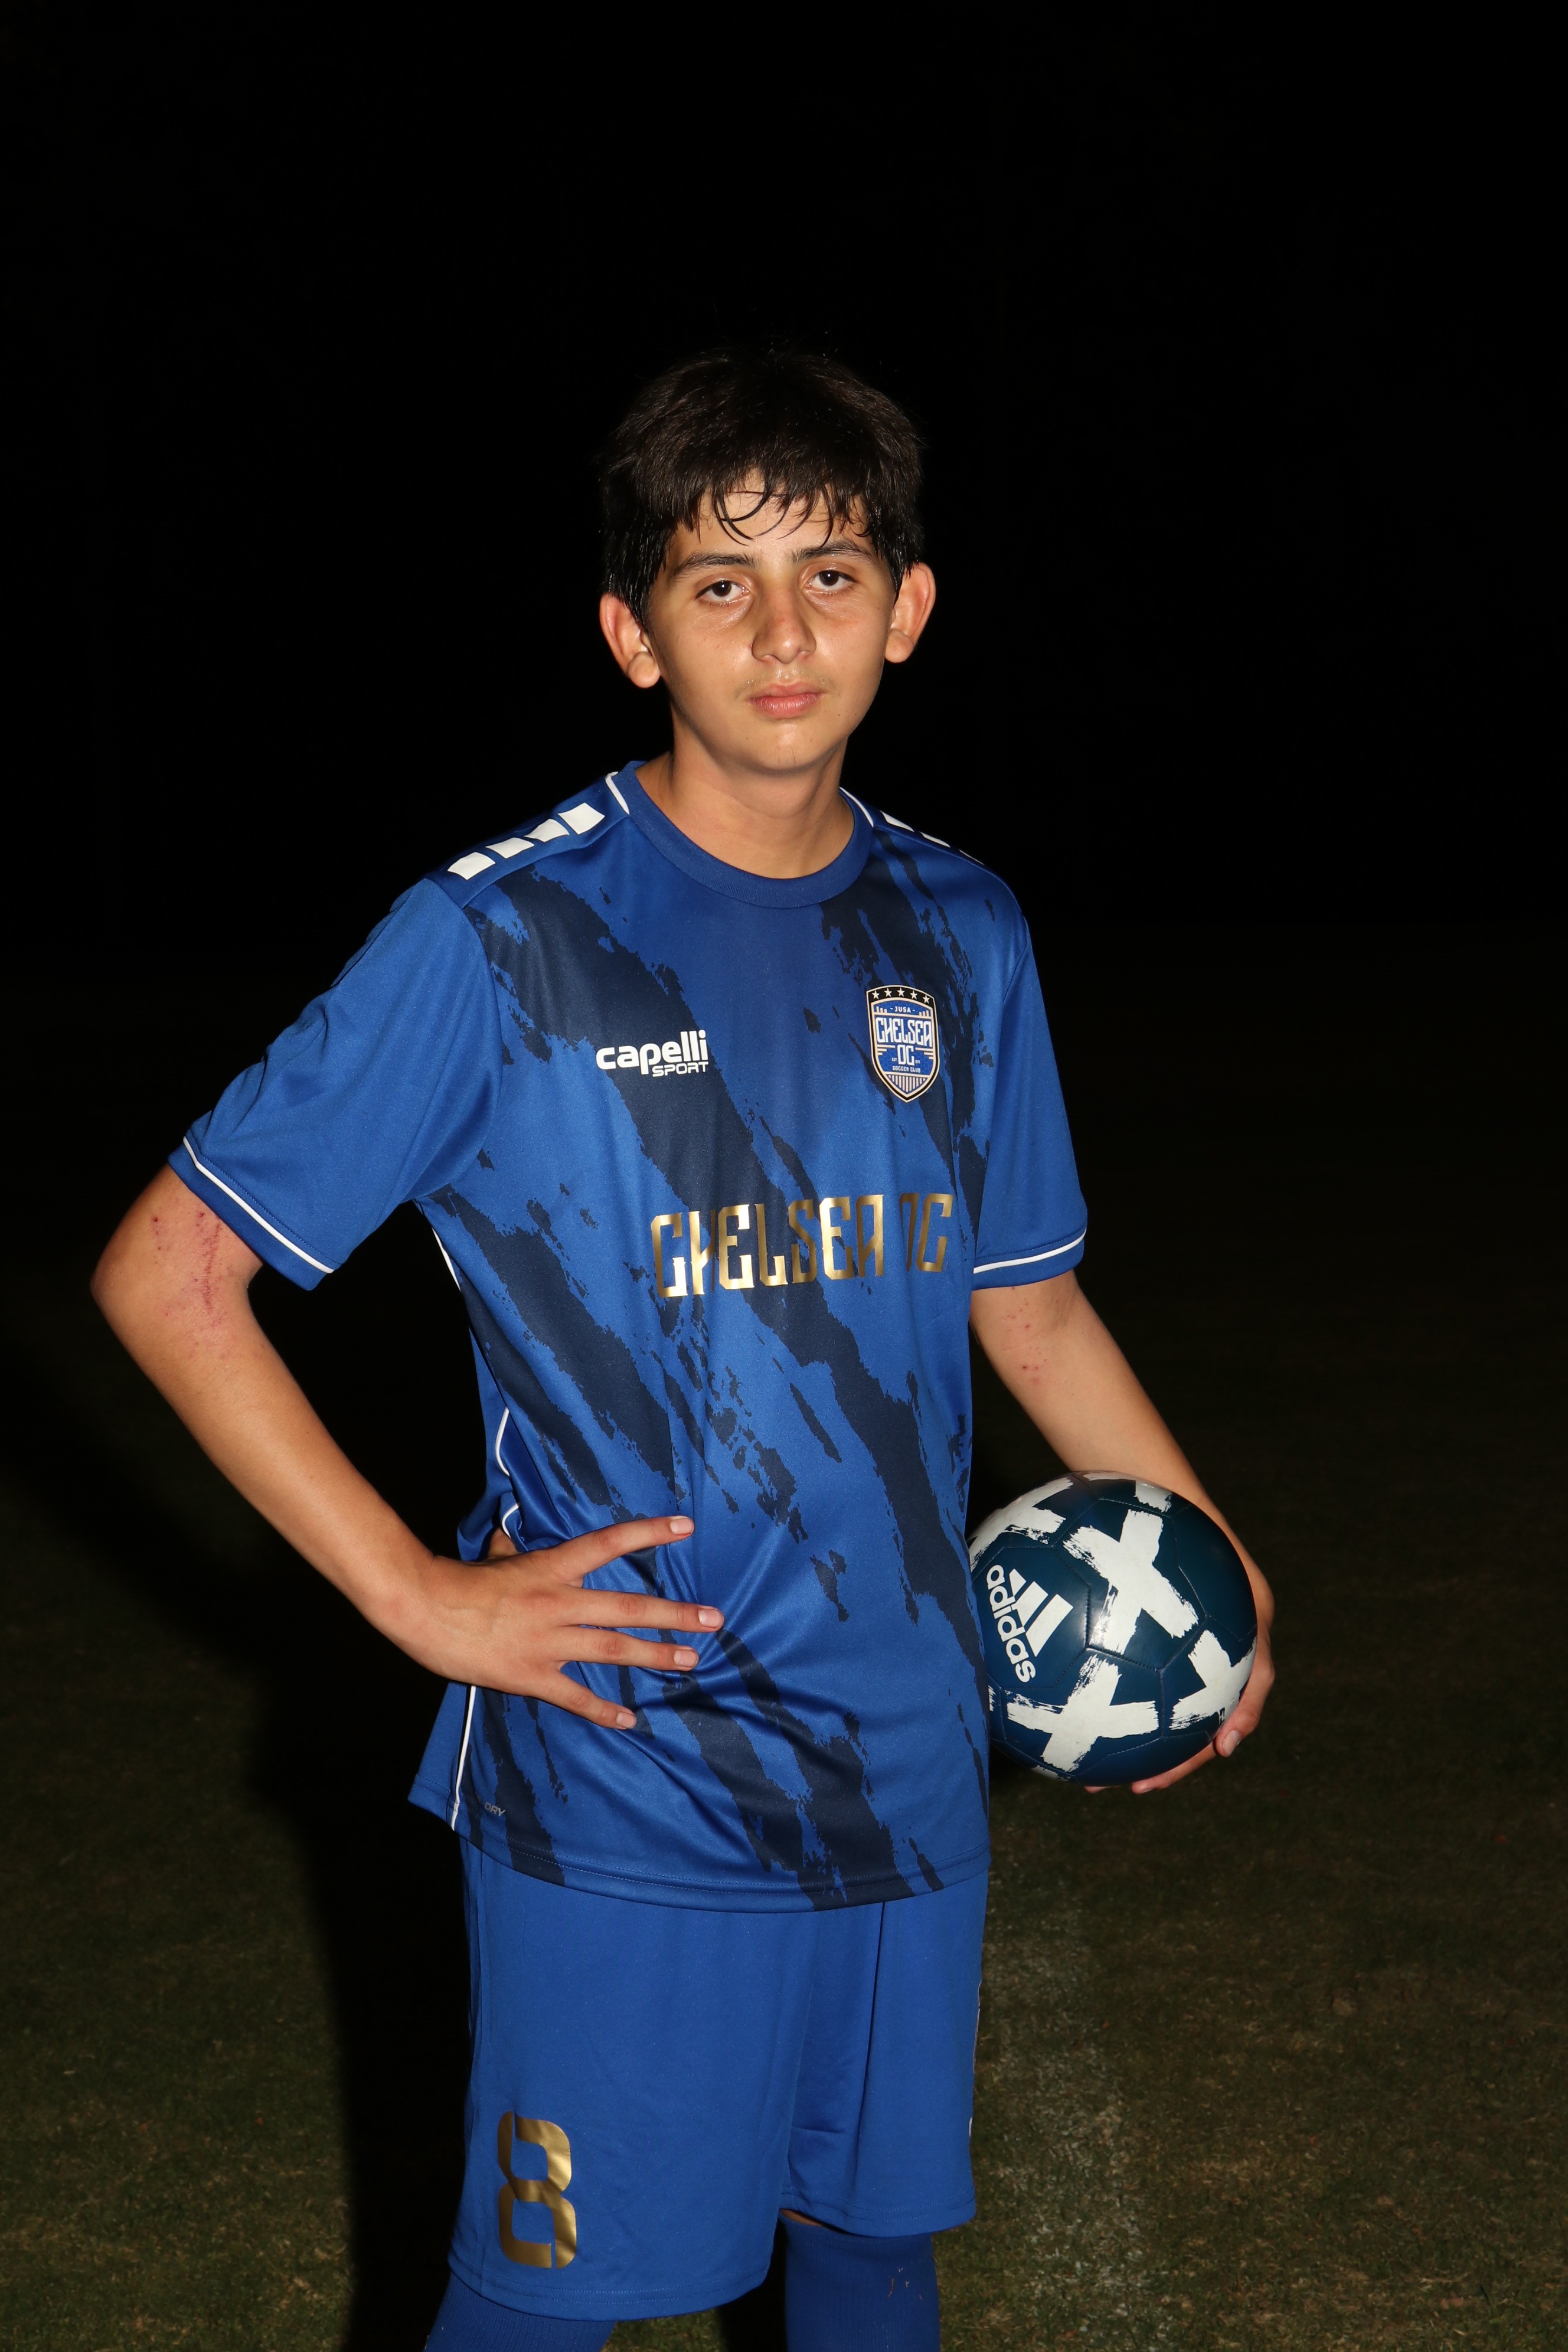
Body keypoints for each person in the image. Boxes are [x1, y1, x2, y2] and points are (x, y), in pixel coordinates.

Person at [93, 348, 1275, 2351]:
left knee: (871, 2255)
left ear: (909, 607)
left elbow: (1030, 1305)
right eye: (721, 583)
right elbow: (169, 1275)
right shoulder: (504, 939)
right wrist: (419, 1599)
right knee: (548, 2308)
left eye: (831, 575)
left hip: (909, 1750)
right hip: (628, 1772)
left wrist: (1208, 1574)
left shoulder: (962, 929)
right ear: (633, 633)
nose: (782, 631)